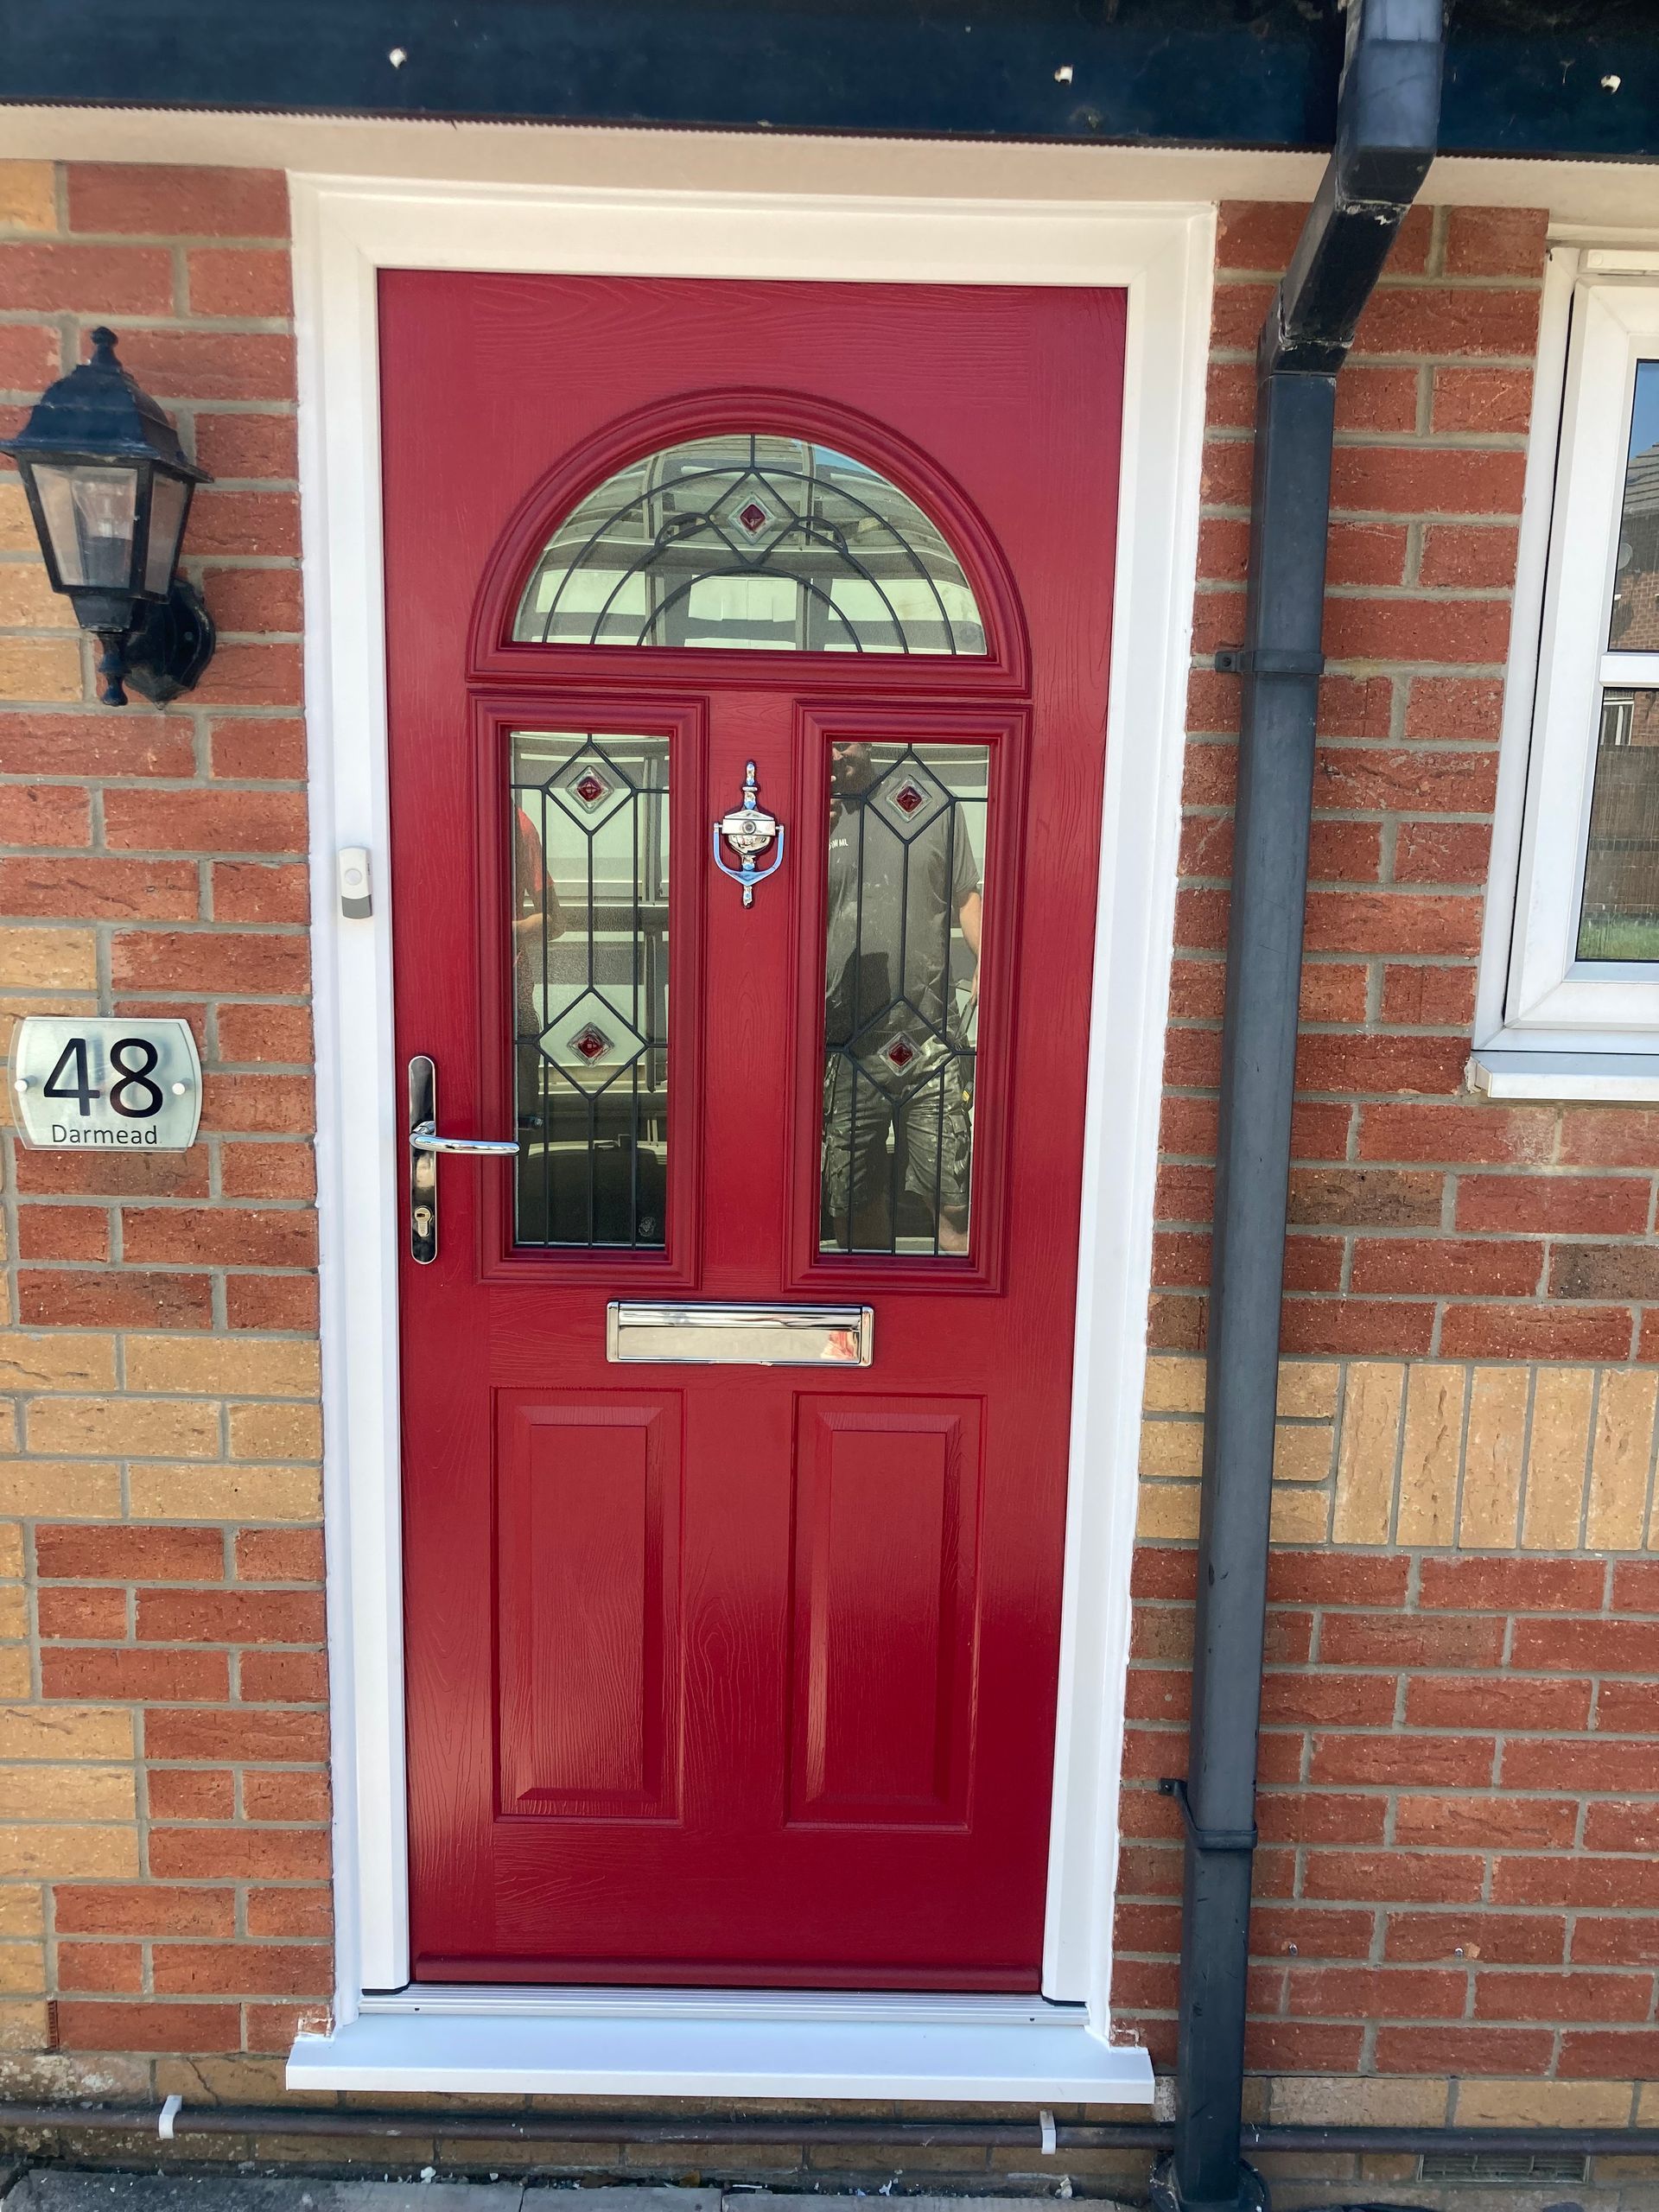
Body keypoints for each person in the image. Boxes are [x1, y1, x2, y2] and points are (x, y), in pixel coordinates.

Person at [821, 741, 982, 1254]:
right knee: (850, 1197)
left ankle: (958, 1328)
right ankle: (864, 1317)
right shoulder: (808, 810)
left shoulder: (931, 805)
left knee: (954, 1200)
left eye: (844, 744)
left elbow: (968, 901)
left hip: (929, 1038)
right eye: (828, 746)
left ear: (869, 739)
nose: (835, 758)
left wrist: (992, 965)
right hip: (847, 1044)